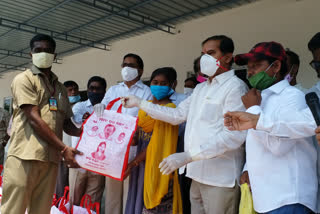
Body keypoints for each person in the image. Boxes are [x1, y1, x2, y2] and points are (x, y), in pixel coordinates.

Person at [122, 35, 248, 214]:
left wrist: (189, 155)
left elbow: (233, 136)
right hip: (196, 174)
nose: (205, 58)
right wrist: (140, 103)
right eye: (203, 53)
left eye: (211, 53)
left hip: (220, 178)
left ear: (228, 57)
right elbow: (176, 115)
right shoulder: (201, 88)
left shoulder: (235, 87)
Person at [224, 41, 317, 213]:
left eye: (256, 65)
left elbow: (278, 147)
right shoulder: (260, 98)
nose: (250, 72)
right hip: (266, 196)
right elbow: (257, 142)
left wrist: (253, 110)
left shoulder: (291, 96)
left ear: (276, 66)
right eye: (248, 67)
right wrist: (247, 168)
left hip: (288, 195)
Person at [1, 34, 82, 214]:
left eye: (47, 50)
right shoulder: (24, 79)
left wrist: (88, 133)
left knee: (42, 210)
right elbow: (34, 119)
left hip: (51, 159)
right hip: (25, 156)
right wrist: (64, 148)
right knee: (14, 209)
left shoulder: (60, 88)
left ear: (54, 55)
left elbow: (67, 123)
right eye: (38, 50)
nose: (43, 54)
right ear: (31, 54)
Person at [94, 53, 152, 214]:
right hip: (112, 149)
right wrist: (98, 109)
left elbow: (146, 118)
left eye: (132, 65)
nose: (127, 68)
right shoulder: (114, 90)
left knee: (129, 192)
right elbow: (102, 111)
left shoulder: (146, 92)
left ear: (140, 70)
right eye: (124, 64)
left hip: (133, 148)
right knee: (112, 193)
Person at [124, 67, 182, 214]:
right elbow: (138, 136)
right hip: (142, 164)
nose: (158, 86)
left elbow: (155, 146)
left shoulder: (170, 111)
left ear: (173, 85)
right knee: (138, 198)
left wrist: (133, 163)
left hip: (158, 166)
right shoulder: (145, 106)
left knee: (156, 204)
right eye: (155, 82)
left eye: (163, 83)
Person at [69, 76, 107, 207]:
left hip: (98, 162)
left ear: (104, 91)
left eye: (98, 89)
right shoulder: (79, 107)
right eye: (92, 88)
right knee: (74, 198)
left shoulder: (109, 109)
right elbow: (76, 124)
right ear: (87, 90)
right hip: (79, 159)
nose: (95, 92)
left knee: (92, 201)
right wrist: (88, 119)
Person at [55, 80, 81, 198]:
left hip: (78, 153)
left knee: (74, 188)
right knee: (60, 186)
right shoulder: (58, 107)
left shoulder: (81, 107)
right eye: (70, 90)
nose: (73, 92)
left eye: (75, 89)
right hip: (62, 151)